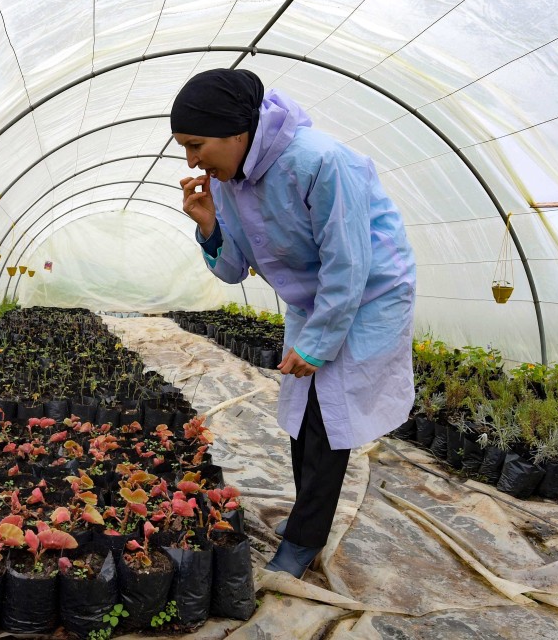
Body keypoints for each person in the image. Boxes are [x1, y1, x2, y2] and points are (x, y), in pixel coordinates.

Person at [171, 69, 416, 578]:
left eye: (196, 145)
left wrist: (319, 343)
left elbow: (349, 262)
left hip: (368, 294)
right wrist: (208, 224)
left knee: (331, 420)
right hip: (314, 299)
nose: (192, 161)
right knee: (304, 412)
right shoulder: (231, 181)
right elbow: (235, 268)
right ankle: (306, 520)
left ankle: (305, 539)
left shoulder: (319, 160)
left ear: (237, 132)